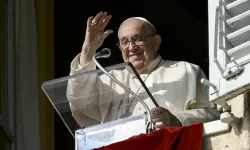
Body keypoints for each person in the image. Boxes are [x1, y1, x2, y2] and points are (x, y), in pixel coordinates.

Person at [66, 11, 220, 128]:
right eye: (124, 42)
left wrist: (177, 120)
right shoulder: (109, 78)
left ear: (155, 42)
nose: (131, 47)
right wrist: (88, 50)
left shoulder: (187, 71)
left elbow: (213, 114)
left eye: (137, 39)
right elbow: (79, 101)